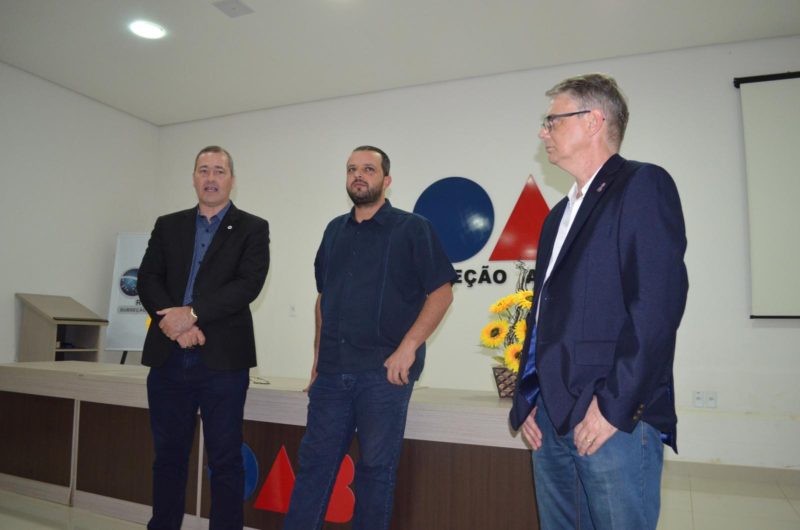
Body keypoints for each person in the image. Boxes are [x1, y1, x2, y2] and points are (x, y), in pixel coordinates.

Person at [509, 74, 688, 529]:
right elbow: (544, 314)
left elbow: (656, 310)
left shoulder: (642, 185)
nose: (542, 132)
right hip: (550, 416)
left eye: (553, 120)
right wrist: (528, 395)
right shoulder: (556, 217)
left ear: (593, 121)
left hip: (609, 416)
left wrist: (613, 408)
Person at [283, 145, 456, 530]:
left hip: (383, 376)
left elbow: (442, 293)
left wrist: (408, 348)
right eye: (351, 169)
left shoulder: (413, 228)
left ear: (386, 180)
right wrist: (316, 362)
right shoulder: (334, 231)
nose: (358, 175)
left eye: (368, 169)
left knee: (375, 472)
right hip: (332, 374)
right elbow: (324, 298)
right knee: (313, 469)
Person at [138, 145, 270, 530]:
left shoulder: (253, 228)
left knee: (225, 460)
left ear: (232, 179)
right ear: (194, 178)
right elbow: (148, 278)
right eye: (203, 170)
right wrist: (176, 324)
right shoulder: (168, 225)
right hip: (168, 357)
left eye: (219, 171)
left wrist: (191, 315)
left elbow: (247, 285)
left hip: (223, 362)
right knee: (168, 458)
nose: (211, 178)